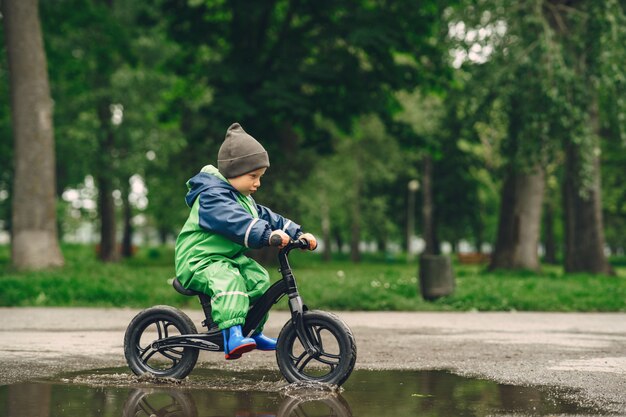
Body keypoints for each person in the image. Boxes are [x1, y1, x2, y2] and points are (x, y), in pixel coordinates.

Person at [174, 122, 317, 360]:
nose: (258, 183)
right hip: (198, 261)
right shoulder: (212, 198)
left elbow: (267, 216)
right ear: (233, 171)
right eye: (253, 176)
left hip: (225, 258)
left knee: (258, 278)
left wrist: (297, 233)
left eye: (260, 177)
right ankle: (232, 336)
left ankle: (253, 330)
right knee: (229, 280)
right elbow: (235, 222)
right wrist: (266, 235)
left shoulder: (243, 199)